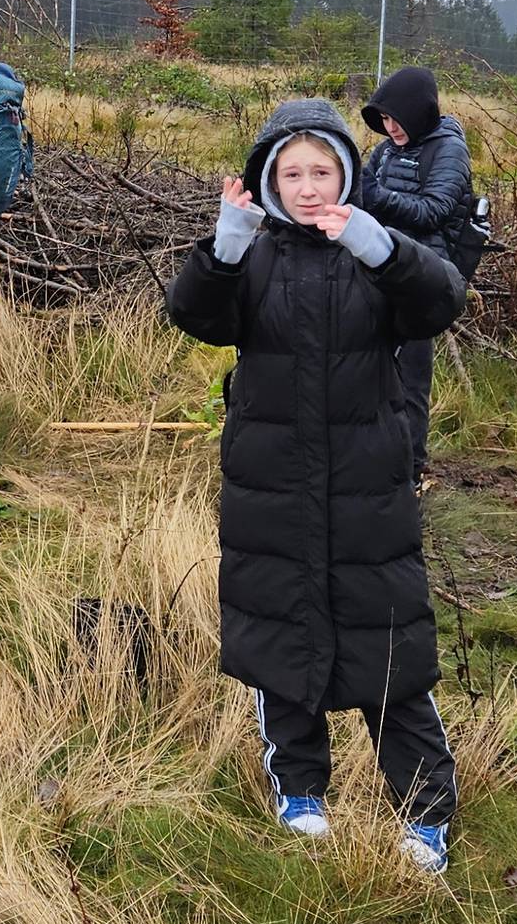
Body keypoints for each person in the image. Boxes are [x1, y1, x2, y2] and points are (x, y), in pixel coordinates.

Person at [165, 97, 470, 875]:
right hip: (270, 487)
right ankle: (299, 791)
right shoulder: (254, 257)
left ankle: (426, 813)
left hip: (367, 490)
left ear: (347, 175)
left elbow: (440, 301)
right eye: (292, 173)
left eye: (322, 172)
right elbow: (195, 316)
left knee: (391, 647)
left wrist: (379, 245)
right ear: (270, 180)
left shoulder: (374, 250)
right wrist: (224, 245)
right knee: (281, 639)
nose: (308, 187)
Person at [356, 66, 473, 480]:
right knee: (369, 368)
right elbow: (364, 198)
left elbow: (433, 212)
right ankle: (372, 463)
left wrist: (375, 196)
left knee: (411, 381)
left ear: (419, 112)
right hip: (379, 270)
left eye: (397, 119)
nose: (391, 128)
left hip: (423, 278)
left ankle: (410, 473)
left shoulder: (449, 150)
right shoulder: (386, 150)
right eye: (384, 120)